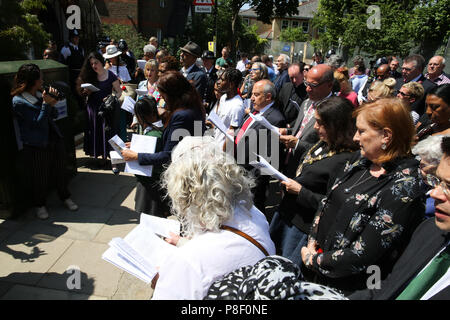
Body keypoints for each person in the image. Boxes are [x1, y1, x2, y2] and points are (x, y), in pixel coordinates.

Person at [300, 98, 425, 295]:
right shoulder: (361, 160)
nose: (356, 138)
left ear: (386, 136)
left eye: (362, 131)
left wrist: (313, 260)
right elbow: (327, 201)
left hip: (351, 287)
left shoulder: (405, 187)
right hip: (318, 266)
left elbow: (362, 255)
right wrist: (312, 241)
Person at [150, 136, 275, 299]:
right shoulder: (254, 214)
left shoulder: (188, 262)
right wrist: (183, 243)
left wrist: (165, 282)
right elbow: (230, 250)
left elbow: (208, 259)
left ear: (186, 197)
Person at [349, 135, 450, 300]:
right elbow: (385, 289)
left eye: (449, 186)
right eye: (437, 181)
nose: (434, 193)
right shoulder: (429, 231)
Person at [269, 97, 358, 266]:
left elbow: (332, 205)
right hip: (287, 213)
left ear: (336, 126)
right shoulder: (324, 143)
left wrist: (301, 192)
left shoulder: (346, 160)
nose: (315, 127)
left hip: (301, 227)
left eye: (320, 123)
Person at [11, 63, 78, 219]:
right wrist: (46, 104)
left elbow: (53, 115)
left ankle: (65, 196)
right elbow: (37, 123)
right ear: (33, 80)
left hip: (53, 137)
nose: (43, 80)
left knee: (60, 170)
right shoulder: (19, 101)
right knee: (40, 176)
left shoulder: (40, 94)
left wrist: (52, 101)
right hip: (36, 144)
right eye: (40, 77)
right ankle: (39, 205)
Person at [121, 71, 205, 167]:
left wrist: (137, 156)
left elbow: (169, 155)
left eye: (163, 94)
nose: (160, 97)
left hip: (181, 169)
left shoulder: (181, 116)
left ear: (172, 94)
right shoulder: (195, 108)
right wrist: (141, 145)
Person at [227, 80, 286, 215]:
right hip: (238, 169)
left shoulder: (275, 119)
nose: (251, 98)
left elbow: (270, 156)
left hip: (251, 179)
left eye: (256, 95)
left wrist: (255, 182)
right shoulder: (255, 111)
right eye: (252, 94)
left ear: (268, 97)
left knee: (252, 212)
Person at [279, 64, 334, 177]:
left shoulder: (335, 110)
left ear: (329, 85)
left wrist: (298, 144)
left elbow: (331, 149)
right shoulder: (307, 102)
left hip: (309, 172)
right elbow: (302, 131)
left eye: (313, 85)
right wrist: (287, 131)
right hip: (290, 164)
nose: (307, 89)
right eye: (306, 83)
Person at [76, 51, 122, 165]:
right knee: (95, 131)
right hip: (93, 108)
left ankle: (108, 157)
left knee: (106, 132)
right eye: (91, 64)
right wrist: (86, 92)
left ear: (101, 62)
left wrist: (111, 97)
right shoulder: (90, 76)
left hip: (106, 109)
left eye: (96, 63)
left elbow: (119, 92)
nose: (94, 66)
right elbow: (82, 93)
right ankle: (97, 155)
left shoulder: (110, 75)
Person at [130, 96, 167, 217]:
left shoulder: (153, 135)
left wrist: (134, 155)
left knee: (152, 221)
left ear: (141, 116)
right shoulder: (158, 129)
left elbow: (148, 159)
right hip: (154, 184)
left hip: (151, 188)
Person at [412, 135, 446, 219]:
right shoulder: (417, 179)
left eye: (428, 159)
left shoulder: (442, 195)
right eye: (421, 157)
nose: (422, 162)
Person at [212, 68, 245, 146]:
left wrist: (222, 154)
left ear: (231, 84)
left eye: (222, 80)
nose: (218, 82)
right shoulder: (223, 98)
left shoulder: (237, 106)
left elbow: (231, 135)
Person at [277, 62, 308, 128]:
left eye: (296, 77)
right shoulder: (286, 87)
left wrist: (291, 125)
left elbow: (305, 114)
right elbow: (278, 105)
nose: (294, 80)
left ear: (303, 74)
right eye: (291, 78)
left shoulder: (308, 92)